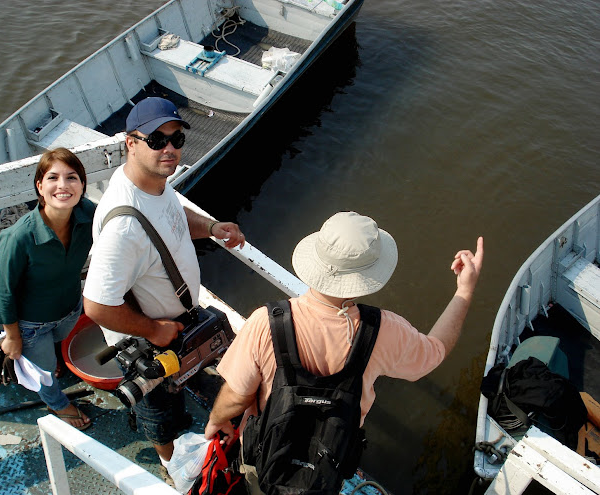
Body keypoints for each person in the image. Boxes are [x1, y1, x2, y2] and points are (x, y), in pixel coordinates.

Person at [204, 211, 484, 493]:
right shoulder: (384, 331)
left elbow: (237, 395)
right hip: (326, 467)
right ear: (367, 275)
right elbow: (435, 352)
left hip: (267, 460)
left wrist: (216, 421)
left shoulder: (266, 322)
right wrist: (465, 290)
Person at [82, 97, 245, 466]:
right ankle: (172, 467)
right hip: (150, 342)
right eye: (156, 140)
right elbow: (96, 305)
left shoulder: (154, 184)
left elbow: (171, 214)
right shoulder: (123, 224)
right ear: (131, 143)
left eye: (176, 139)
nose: (168, 149)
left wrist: (212, 228)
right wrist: (152, 329)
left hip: (181, 324)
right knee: (160, 415)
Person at [0, 147, 95, 430]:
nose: (63, 186)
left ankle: (52, 360)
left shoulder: (88, 215)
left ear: (83, 185)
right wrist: (13, 337)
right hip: (31, 325)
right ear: (40, 186)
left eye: (72, 177)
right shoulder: (19, 237)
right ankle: (57, 402)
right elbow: (4, 293)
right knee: (45, 373)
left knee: (56, 347)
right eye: (53, 178)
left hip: (70, 310)